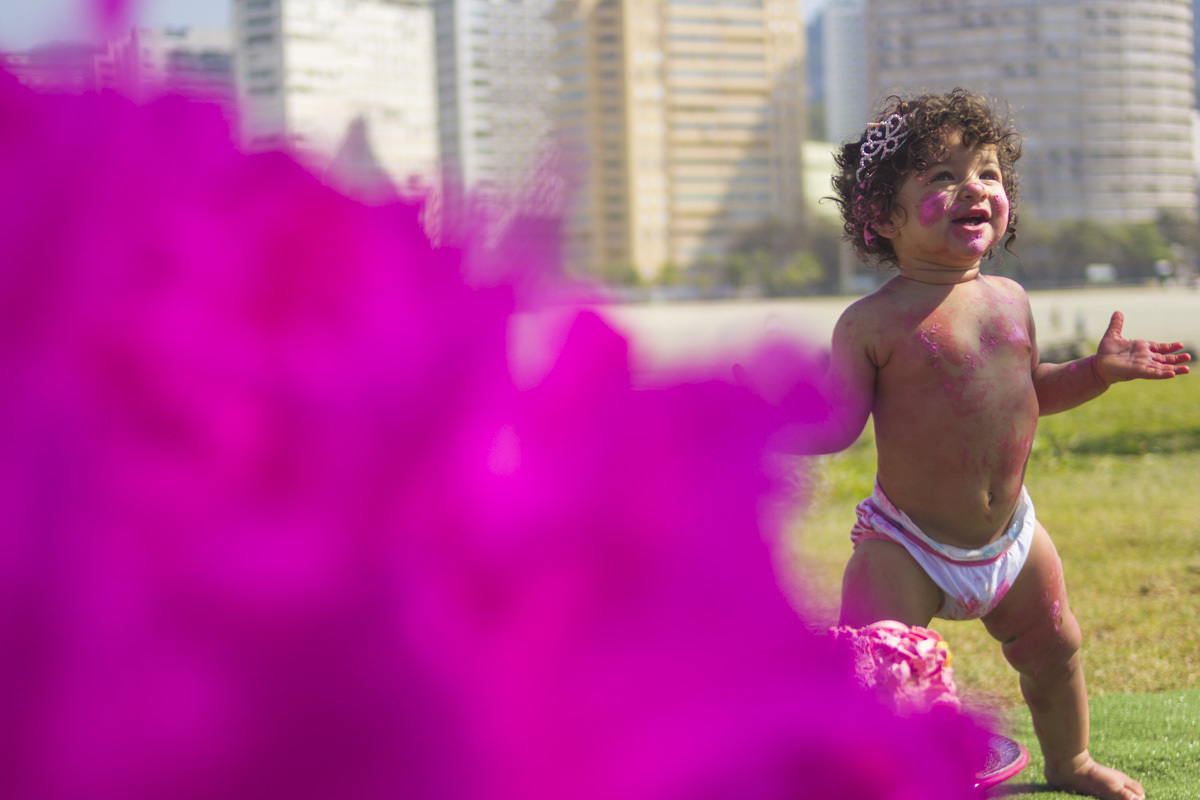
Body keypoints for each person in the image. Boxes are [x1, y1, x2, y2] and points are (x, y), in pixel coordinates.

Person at [791, 89, 1189, 800]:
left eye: (988, 173)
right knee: (874, 666)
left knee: (1055, 648)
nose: (974, 187)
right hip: (905, 544)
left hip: (1011, 538)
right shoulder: (871, 324)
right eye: (941, 177)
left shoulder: (1011, 299)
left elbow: (1033, 391)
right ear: (881, 217)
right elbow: (840, 424)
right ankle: (855, 772)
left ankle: (1071, 763)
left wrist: (1097, 372)